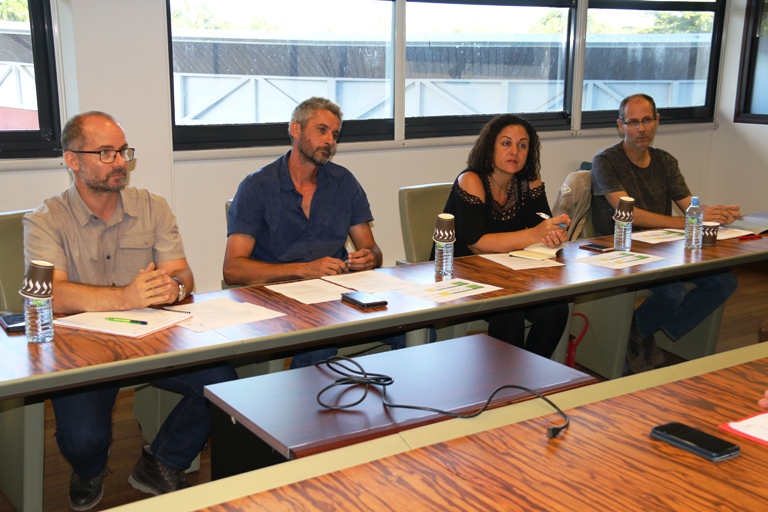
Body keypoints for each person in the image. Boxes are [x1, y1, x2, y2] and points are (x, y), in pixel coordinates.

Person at [23, 112, 237, 511]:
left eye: (123, 151)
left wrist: (174, 288)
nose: (120, 161)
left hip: (152, 338)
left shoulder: (152, 206)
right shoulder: (45, 220)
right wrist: (125, 297)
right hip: (82, 350)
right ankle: (88, 468)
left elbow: (182, 274)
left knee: (224, 385)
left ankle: (162, 461)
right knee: (85, 440)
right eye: (106, 153)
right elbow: (50, 295)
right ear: (73, 160)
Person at [223, 97, 404, 367]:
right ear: (295, 130)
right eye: (322, 130)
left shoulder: (343, 182)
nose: (330, 141)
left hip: (337, 297)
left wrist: (369, 258)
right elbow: (233, 269)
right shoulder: (256, 187)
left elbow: (372, 249)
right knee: (321, 343)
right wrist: (303, 269)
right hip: (279, 300)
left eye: (335, 135)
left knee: (413, 328)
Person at [591, 93, 739, 373]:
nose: (641, 128)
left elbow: (690, 206)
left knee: (724, 282)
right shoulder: (606, 161)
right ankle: (640, 336)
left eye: (647, 120)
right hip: (621, 250)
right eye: (633, 122)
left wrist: (717, 213)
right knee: (672, 292)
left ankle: (641, 333)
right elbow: (630, 213)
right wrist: (687, 222)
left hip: (663, 249)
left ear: (657, 121)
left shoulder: (665, 161)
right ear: (621, 125)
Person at [440, 114, 571, 358]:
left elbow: (541, 229)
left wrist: (554, 232)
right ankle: (507, 377)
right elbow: (478, 244)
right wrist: (535, 233)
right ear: (490, 147)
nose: (514, 151)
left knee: (556, 309)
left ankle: (531, 372)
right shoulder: (471, 180)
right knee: (510, 312)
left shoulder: (529, 182)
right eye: (506, 143)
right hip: (464, 271)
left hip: (512, 272)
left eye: (522, 145)